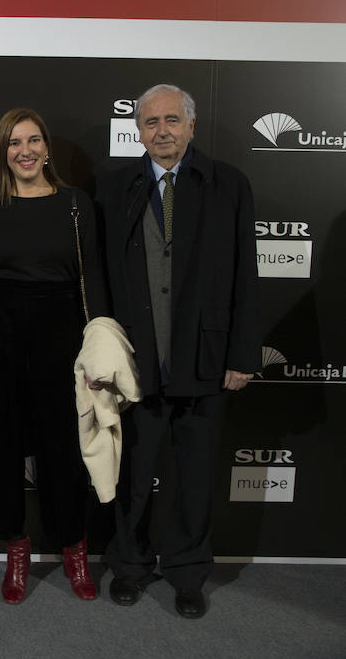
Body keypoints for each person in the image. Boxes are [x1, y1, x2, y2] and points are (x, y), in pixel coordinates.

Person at [96, 84, 259, 618]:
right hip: (138, 362)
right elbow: (99, 278)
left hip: (205, 360)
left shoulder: (227, 184)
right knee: (133, 476)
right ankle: (129, 566)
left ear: (191, 125)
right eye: (150, 123)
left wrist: (241, 355)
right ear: (137, 130)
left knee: (194, 479)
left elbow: (245, 276)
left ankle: (188, 574)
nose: (161, 131)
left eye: (171, 120)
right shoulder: (116, 186)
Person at [0, 108, 109, 604]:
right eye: (13, 142)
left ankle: (74, 549)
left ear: (47, 147)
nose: (24, 151)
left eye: (33, 140)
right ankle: (16, 551)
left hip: (62, 339)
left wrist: (97, 357)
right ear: (2, 152)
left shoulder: (75, 204)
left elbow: (96, 289)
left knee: (64, 449)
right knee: (2, 451)